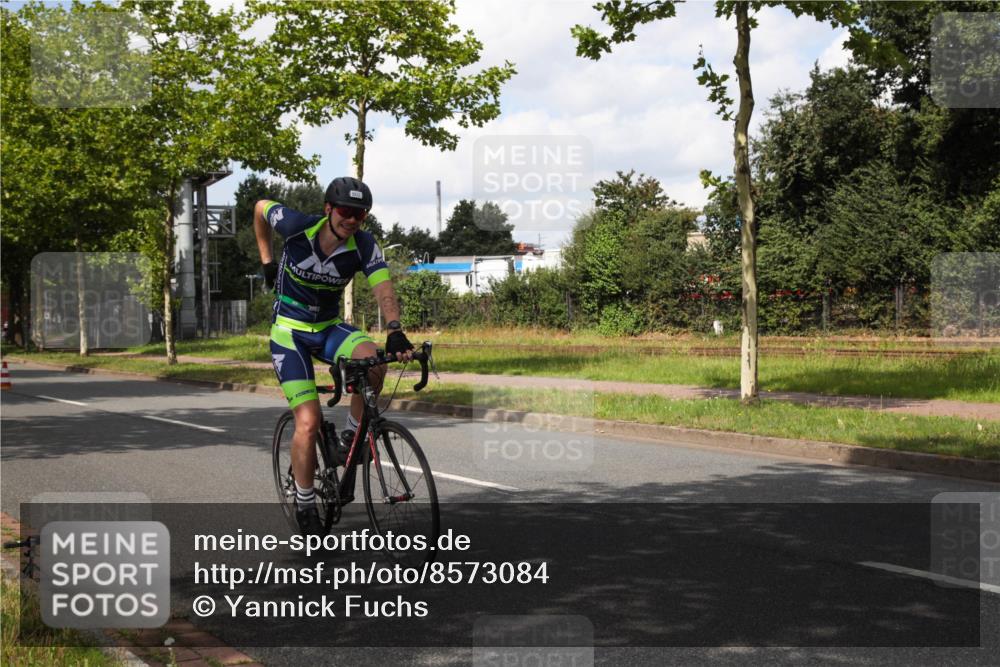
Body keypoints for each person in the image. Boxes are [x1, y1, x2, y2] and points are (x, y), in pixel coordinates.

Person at [254, 176, 414, 536]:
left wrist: (394, 329)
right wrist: (266, 259)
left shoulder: (363, 245)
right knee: (308, 422)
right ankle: (306, 501)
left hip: (327, 327)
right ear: (328, 209)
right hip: (289, 331)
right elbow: (260, 207)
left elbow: (383, 287)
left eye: (360, 214)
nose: (352, 219)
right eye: (345, 211)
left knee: (374, 360)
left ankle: (351, 438)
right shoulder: (296, 227)